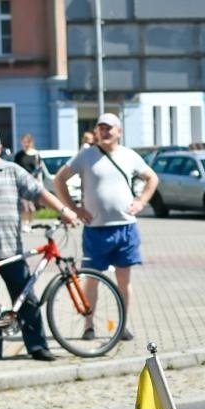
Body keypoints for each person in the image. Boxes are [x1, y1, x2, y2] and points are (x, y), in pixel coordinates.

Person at [0, 125, 81, 362]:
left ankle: (38, 346)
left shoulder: (12, 171)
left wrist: (63, 210)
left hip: (11, 249)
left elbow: (39, 192)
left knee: (26, 299)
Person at [54, 112, 154, 344]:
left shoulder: (129, 156)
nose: (105, 132)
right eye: (101, 128)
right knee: (92, 278)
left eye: (109, 128)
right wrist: (73, 208)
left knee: (123, 280)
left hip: (125, 227)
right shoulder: (86, 156)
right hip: (96, 228)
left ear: (119, 131)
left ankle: (123, 325)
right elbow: (60, 179)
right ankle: (88, 325)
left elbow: (152, 179)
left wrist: (141, 202)